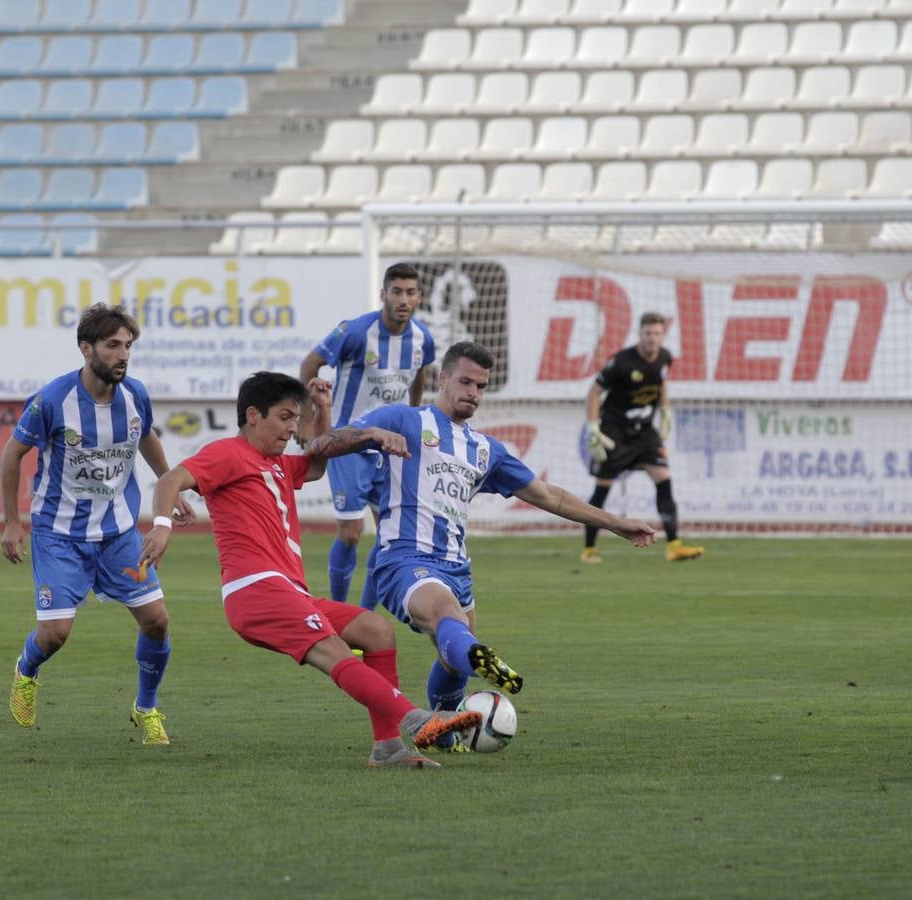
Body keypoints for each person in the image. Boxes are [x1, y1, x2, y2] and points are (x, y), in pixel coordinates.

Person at [138, 371, 481, 768]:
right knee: (335, 652)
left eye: (294, 419)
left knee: (376, 630)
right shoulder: (228, 453)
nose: (290, 428)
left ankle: (387, 749)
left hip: (288, 591)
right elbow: (170, 480)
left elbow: (316, 463)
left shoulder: (278, 464)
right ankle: (418, 719)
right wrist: (161, 528)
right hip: (256, 589)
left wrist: (323, 412)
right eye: (284, 417)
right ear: (253, 415)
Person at [340, 342, 657, 749]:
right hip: (404, 557)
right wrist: (371, 433)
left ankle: (445, 729)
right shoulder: (404, 419)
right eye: (465, 381)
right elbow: (341, 437)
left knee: (451, 662)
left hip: (456, 565)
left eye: (481, 386)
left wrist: (615, 523)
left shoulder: (486, 449)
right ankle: (479, 657)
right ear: (443, 379)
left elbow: (549, 496)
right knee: (444, 613)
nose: (473, 392)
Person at [0, 303, 193, 746]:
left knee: (157, 621)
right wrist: (12, 522)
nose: (123, 354)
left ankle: (146, 708)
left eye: (127, 346)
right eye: (112, 345)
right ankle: (26, 670)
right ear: (86, 348)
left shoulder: (135, 395)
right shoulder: (52, 400)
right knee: (55, 635)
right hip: (59, 536)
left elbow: (146, 438)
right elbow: (12, 455)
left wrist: (172, 488)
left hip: (118, 536)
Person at [299, 262, 437, 607]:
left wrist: (416, 415)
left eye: (410, 292)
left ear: (419, 297)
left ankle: (363, 617)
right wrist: (305, 419)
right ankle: (339, 612)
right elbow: (310, 363)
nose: (403, 299)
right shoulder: (356, 331)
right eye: (396, 291)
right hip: (348, 442)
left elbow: (420, 372)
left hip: (390, 447)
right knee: (350, 534)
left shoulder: (423, 338)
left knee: (390, 538)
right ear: (383, 295)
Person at [582, 312, 705, 564]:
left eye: (657, 333)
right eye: (648, 333)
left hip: (645, 433)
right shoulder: (621, 362)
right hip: (615, 431)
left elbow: (661, 383)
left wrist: (665, 411)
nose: (652, 338)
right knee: (602, 490)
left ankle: (674, 545)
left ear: (662, 335)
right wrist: (593, 428)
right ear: (640, 334)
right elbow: (594, 392)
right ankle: (589, 549)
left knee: (664, 481)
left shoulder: (665, 357)